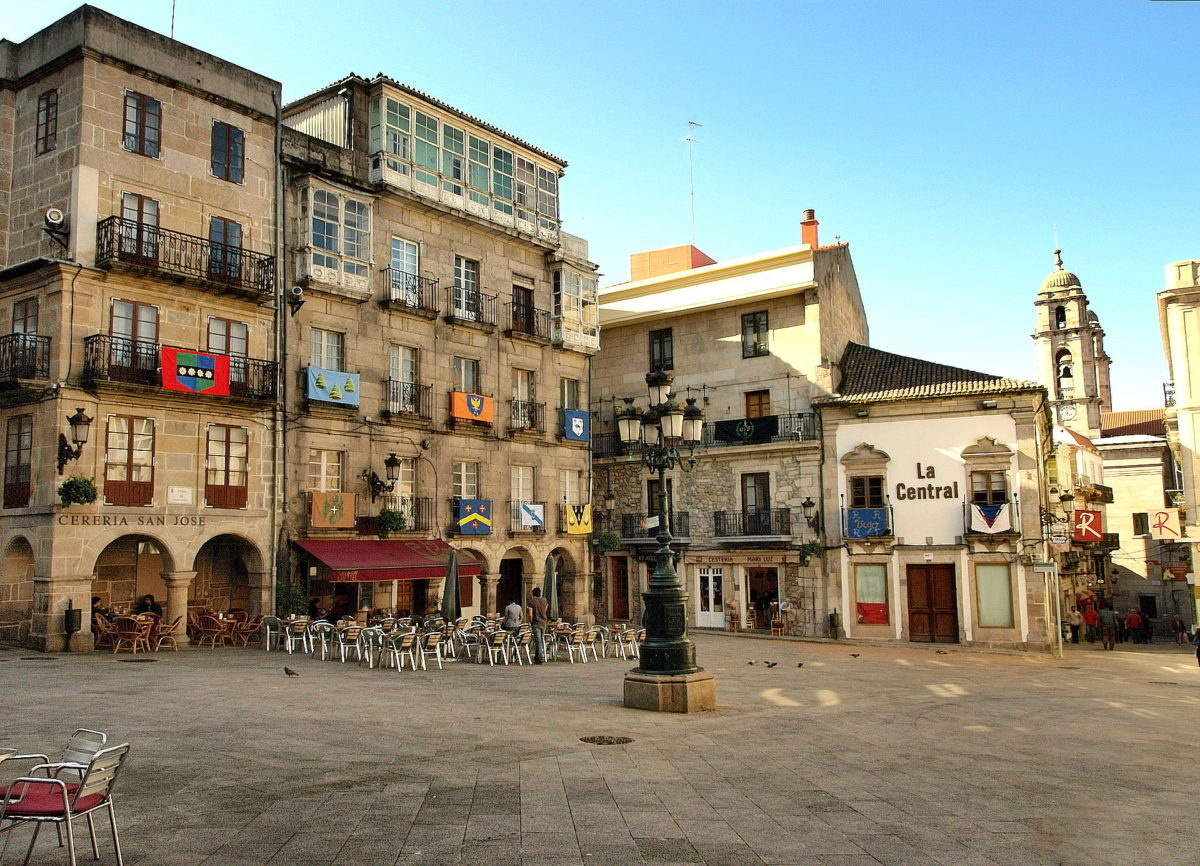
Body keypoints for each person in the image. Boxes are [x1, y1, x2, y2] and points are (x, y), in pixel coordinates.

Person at [528, 587, 549, 663]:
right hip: (543, 622)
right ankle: (537, 657)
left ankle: (540, 658)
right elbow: (545, 610)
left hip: (536, 622)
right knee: (540, 639)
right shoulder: (544, 600)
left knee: (538, 641)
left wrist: (531, 621)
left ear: (533, 593)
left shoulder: (532, 602)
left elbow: (530, 614)